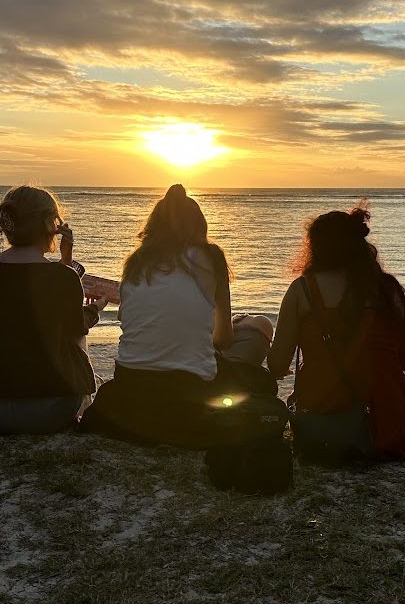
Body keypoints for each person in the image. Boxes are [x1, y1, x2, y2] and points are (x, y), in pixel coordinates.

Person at [81, 184, 268, 446]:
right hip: (186, 392)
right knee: (257, 330)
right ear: (199, 226)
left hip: (132, 386)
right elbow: (224, 339)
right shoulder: (210, 256)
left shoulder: (136, 262)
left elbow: (139, 327)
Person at [267, 204, 405, 460]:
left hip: (322, 420)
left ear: (315, 248)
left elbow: (276, 366)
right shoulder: (387, 290)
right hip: (390, 423)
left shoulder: (303, 291)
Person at [0, 185, 107, 434]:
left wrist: (66, 260)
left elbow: (31, 288)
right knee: (76, 334)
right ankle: (84, 408)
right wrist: (96, 308)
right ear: (48, 223)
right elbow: (75, 325)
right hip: (50, 411)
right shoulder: (62, 278)